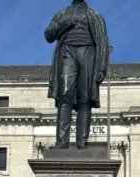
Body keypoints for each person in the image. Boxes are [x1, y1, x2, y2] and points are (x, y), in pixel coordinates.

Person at [44, 0, 109, 149]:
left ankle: (82, 144)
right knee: (65, 95)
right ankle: (62, 142)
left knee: (85, 99)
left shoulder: (95, 16)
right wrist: (65, 22)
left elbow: (103, 42)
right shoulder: (62, 14)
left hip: (88, 53)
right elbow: (48, 35)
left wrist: (101, 68)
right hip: (67, 52)